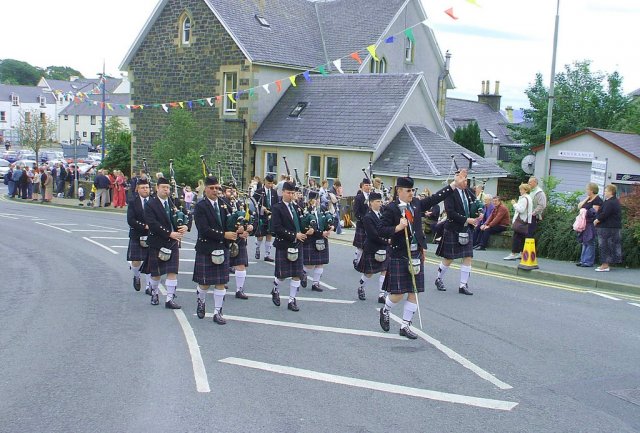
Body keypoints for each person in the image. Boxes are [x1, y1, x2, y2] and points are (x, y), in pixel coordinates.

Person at [380, 172, 466, 338]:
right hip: (399, 253)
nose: (412, 193)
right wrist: (397, 228)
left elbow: (435, 198)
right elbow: (381, 230)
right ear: (399, 191)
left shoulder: (416, 204)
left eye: (413, 190)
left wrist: (454, 184)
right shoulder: (391, 208)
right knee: (398, 294)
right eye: (408, 190)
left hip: (415, 252)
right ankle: (386, 309)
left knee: (413, 292)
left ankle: (405, 326)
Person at [192, 176, 237, 324]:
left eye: (217, 188)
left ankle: (218, 312)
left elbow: (231, 223)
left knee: (221, 283)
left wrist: (241, 228)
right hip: (206, 248)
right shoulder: (200, 206)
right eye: (212, 188)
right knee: (205, 283)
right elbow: (203, 229)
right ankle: (201, 301)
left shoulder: (224, 204)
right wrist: (224, 234)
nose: (215, 191)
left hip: (221, 248)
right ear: (205, 189)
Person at [144, 177, 190, 308]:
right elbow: (152, 224)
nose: (166, 190)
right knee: (156, 274)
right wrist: (169, 233)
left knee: (172, 271)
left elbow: (188, 215)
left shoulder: (174, 202)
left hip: (173, 242)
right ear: (157, 188)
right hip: (158, 242)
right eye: (163, 187)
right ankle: (154, 293)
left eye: (168, 188)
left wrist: (186, 226)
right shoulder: (150, 204)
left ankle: (170, 299)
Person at [270, 181, 313, 312]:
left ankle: (291, 300)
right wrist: (294, 235)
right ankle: (275, 289)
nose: (291, 195)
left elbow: (300, 224)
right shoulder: (277, 208)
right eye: (288, 193)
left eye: (293, 193)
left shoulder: (297, 207)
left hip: (297, 244)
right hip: (284, 244)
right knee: (282, 275)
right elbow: (276, 228)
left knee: (297, 274)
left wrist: (308, 230)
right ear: (283, 192)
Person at [434, 176, 478, 296]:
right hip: (453, 228)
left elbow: (476, 204)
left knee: (468, 256)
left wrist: (480, 212)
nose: (466, 182)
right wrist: (466, 219)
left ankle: (463, 285)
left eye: (466, 180)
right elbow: (450, 213)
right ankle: (438, 279)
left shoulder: (468, 191)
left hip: (466, 228)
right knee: (449, 258)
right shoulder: (450, 193)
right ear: (457, 181)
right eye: (464, 180)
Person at [355, 191, 392, 303]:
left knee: (384, 270)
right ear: (371, 203)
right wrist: (387, 240)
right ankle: (361, 287)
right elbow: (373, 235)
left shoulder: (383, 214)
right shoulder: (368, 217)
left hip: (384, 247)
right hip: (372, 247)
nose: (380, 203)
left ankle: (381, 295)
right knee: (369, 273)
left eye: (380, 201)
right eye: (377, 201)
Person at [301, 191, 333, 292]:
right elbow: (304, 226)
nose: (318, 201)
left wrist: (330, 227)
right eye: (316, 199)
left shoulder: (322, 209)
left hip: (321, 239)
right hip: (311, 239)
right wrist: (321, 233)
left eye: (318, 199)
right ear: (310, 200)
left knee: (320, 262)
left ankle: (316, 283)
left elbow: (329, 218)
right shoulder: (305, 210)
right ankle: (303, 273)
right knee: (309, 265)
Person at [127, 179, 151, 293]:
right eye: (143, 187)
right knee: (136, 260)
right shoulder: (133, 201)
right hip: (137, 234)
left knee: (151, 260)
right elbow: (130, 220)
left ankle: (149, 286)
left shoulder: (154, 201)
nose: (145, 189)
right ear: (138, 189)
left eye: (147, 187)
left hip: (151, 235)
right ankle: (136, 276)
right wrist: (144, 226)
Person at [593, 184, 622, 272]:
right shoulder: (614, 201)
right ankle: (605, 264)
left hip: (607, 227)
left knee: (604, 245)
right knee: (608, 246)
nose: (604, 192)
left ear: (610, 192)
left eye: (606, 191)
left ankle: (605, 265)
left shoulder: (610, 202)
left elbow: (605, 213)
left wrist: (597, 220)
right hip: (612, 227)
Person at [576, 183, 604, 267]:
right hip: (585, 223)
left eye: (587, 189)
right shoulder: (589, 199)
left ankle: (588, 261)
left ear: (591, 190)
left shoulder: (597, 200)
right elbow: (579, 206)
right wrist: (587, 199)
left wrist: (584, 211)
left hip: (591, 223)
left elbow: (593, 212)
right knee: (584, 241)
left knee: (590, 241)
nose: (586, 191)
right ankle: (583, 260)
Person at [504, 184, 533, 261]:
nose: (520, 191)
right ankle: (521, 253)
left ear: (525, 190)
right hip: (525, 221)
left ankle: (513, 254)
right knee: (522, 238)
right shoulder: (529, 198)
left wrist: (514, 204)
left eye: (521, 189)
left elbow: (521, 210)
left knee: (516, 238)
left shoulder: (524, 199)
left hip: (520, 221)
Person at [253, 174, 278, 262]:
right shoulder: (259, 191)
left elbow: (276, 204)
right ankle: (257, 248)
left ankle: (267, 254)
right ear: (264, 182)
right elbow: (254, 203)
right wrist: (261, 208)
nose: (270, 185)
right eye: (268, 183)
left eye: (271, 183)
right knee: (260, 235)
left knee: (269, 234)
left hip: (271, 216)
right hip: (262, 216)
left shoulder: (274, 192)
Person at [352, 178, 372, 267]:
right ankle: (357, 261)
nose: (368, 187)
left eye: (369, 185)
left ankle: (365, 262)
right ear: (362, 186)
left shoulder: (372, 196)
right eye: (366, 185)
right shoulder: (359, 197)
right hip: (362, 224)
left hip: (371, 224)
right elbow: (356, 212)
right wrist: (363, 219)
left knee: (369, 245)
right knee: (360, 246)